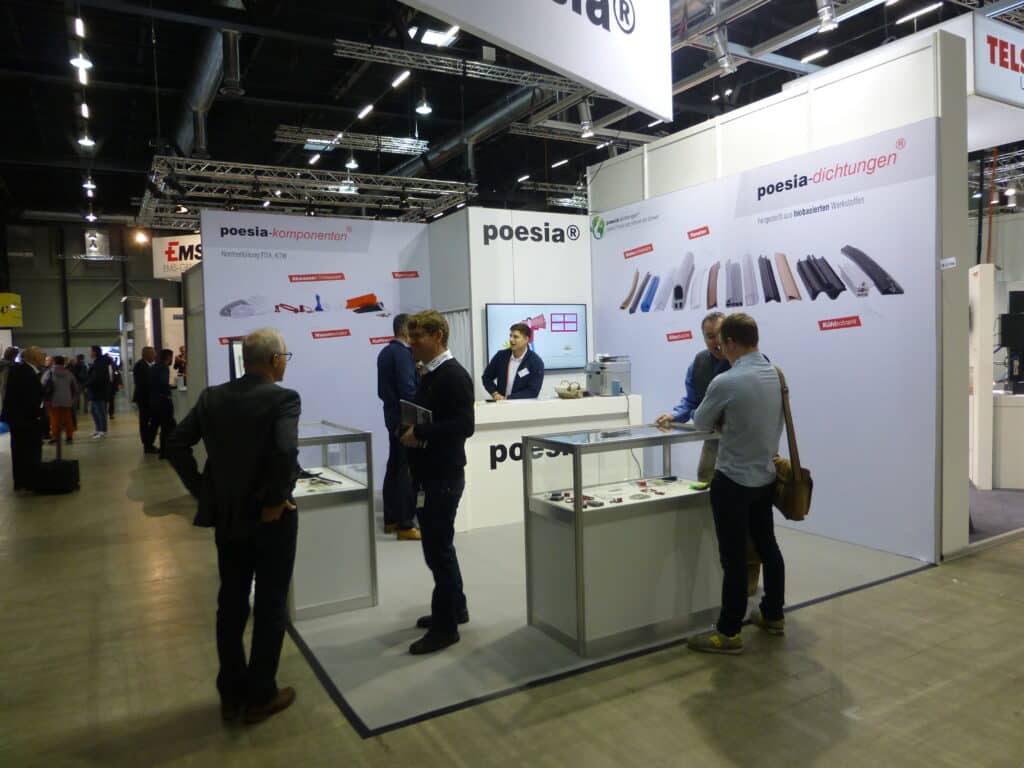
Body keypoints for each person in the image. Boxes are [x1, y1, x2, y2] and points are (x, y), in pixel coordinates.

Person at [165, 328, 301, 725]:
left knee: (231, 601)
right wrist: (275, 499)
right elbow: (285, 450)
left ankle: (231, 693)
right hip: (271, 519)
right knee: (271, 604)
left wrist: (203, 490)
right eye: (285, 357)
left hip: (228, 517)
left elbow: (175, 444)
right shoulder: (283, 398)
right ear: (275, 360)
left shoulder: (212, 397)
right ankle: (261, 695)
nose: (285, 364)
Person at [687, 313, 786, 655]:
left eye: (721, 342)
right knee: (767, 547)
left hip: (731, 480)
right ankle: (773, 614)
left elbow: (701, 422)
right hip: (765, 476)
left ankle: (729, 632)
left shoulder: (726, 381)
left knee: (733, 558)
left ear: (730, 342)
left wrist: (722, 421)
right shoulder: (775, 374)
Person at [400, 310, 475, 654]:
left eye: (418, 337)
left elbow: (464, 425)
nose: (412, 343)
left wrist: (421, 432)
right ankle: (455, 608)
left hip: (443, 476)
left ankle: (445, 629)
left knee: (438, 551)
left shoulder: (453, 375)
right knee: (440, 547)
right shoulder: (430, 373)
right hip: (431, 473)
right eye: (410, 336)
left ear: (438, 336)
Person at [655, 311, 729, 482]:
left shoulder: (744, 362)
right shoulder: (698, 363)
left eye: (720, 334)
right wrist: (674, 415)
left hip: (743, 445)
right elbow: (691, 401)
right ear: (704, 339)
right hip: (712, 439)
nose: (717, 341)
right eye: (710, 336)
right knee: (705, 480)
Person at [377, 313, 420, 540]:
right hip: (406, 419)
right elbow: (408, 390)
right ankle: (405, 524)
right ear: (405, 330)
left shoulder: (385, 352)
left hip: (392, 416)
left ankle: (391, 519)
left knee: (394, 466)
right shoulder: (403, 354)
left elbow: (382, 391)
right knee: (405, 470)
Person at [1, 346, 46, 491]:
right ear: (33, 358)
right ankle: (28, 480)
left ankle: (23, 480)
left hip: (21, 418)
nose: (43, 357)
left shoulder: (23, 370)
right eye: (41, 355)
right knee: (27, 450)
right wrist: (38, 414)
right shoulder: (25, 372)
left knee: (21, 450)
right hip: (25, 419)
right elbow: (28, 397)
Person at [480, 322, 545, 400]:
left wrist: (508, 398)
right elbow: (486, 377)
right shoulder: (501, 356)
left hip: (522, 405)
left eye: (515, 337)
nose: (511, 339)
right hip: (501, 404)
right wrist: (495, 393)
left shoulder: (536, 362)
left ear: (526, 339)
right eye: (510, 336)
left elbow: (533, 391)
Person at [42, 355, 78, 444]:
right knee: (67, 418)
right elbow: (75, 386)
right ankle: (69, 437)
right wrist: (72, 397)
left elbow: (43, 384)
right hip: (67, 399)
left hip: (52, 399)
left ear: (54, 362)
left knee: (54, 419)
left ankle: (55, 437)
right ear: (63, 362)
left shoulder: (49, 372)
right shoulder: (69, 373)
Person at [150, 349, 175, 458]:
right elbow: (163, 383)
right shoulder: (164, 368)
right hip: (163, 401)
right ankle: (165, 451)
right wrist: (168, 393)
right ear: (168, 357)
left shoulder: (154, 367)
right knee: (167, 427)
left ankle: (161, 449)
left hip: (154, 401)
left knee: (158, 425)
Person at [132, 347, 158, 454]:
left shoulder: (145, 365)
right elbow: (144, 384)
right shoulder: (141, 366)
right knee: (145, 422)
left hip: (146, 398)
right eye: (153, 353)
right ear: (147, 354)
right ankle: (147, 445)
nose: (155, 356)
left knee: (147, 421)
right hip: (144, 399)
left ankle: (148, 444)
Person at [86, 346, 112, 438]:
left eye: (91, 351)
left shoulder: (99, 364)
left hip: (99, 391)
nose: (89, 353)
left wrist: (87, 384)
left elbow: (97, 378)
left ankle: (103, 430)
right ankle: (98, 429)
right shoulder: (97, 362)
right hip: (95, 391)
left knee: (100, 412)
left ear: (95, 352)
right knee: (93, 411)